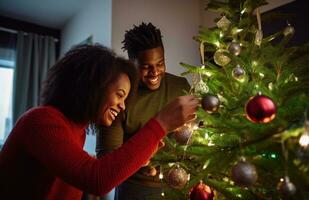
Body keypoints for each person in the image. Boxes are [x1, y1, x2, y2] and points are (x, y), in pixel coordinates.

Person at [0, 44, 199, 200]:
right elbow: (97, 178)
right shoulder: (41, 121)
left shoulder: (78, 131)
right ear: (93, 86)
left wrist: (142, 157)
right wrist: (161, 123)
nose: (122, 106)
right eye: (119, 95)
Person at [96, 23, 191, 199]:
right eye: (146, 67)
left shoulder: (181, 87)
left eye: (160, 63)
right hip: (136, 189)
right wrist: (142, 159)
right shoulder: (119, 98)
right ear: (132, 64)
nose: (155, 72)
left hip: (180, 186)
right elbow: (107, 160)